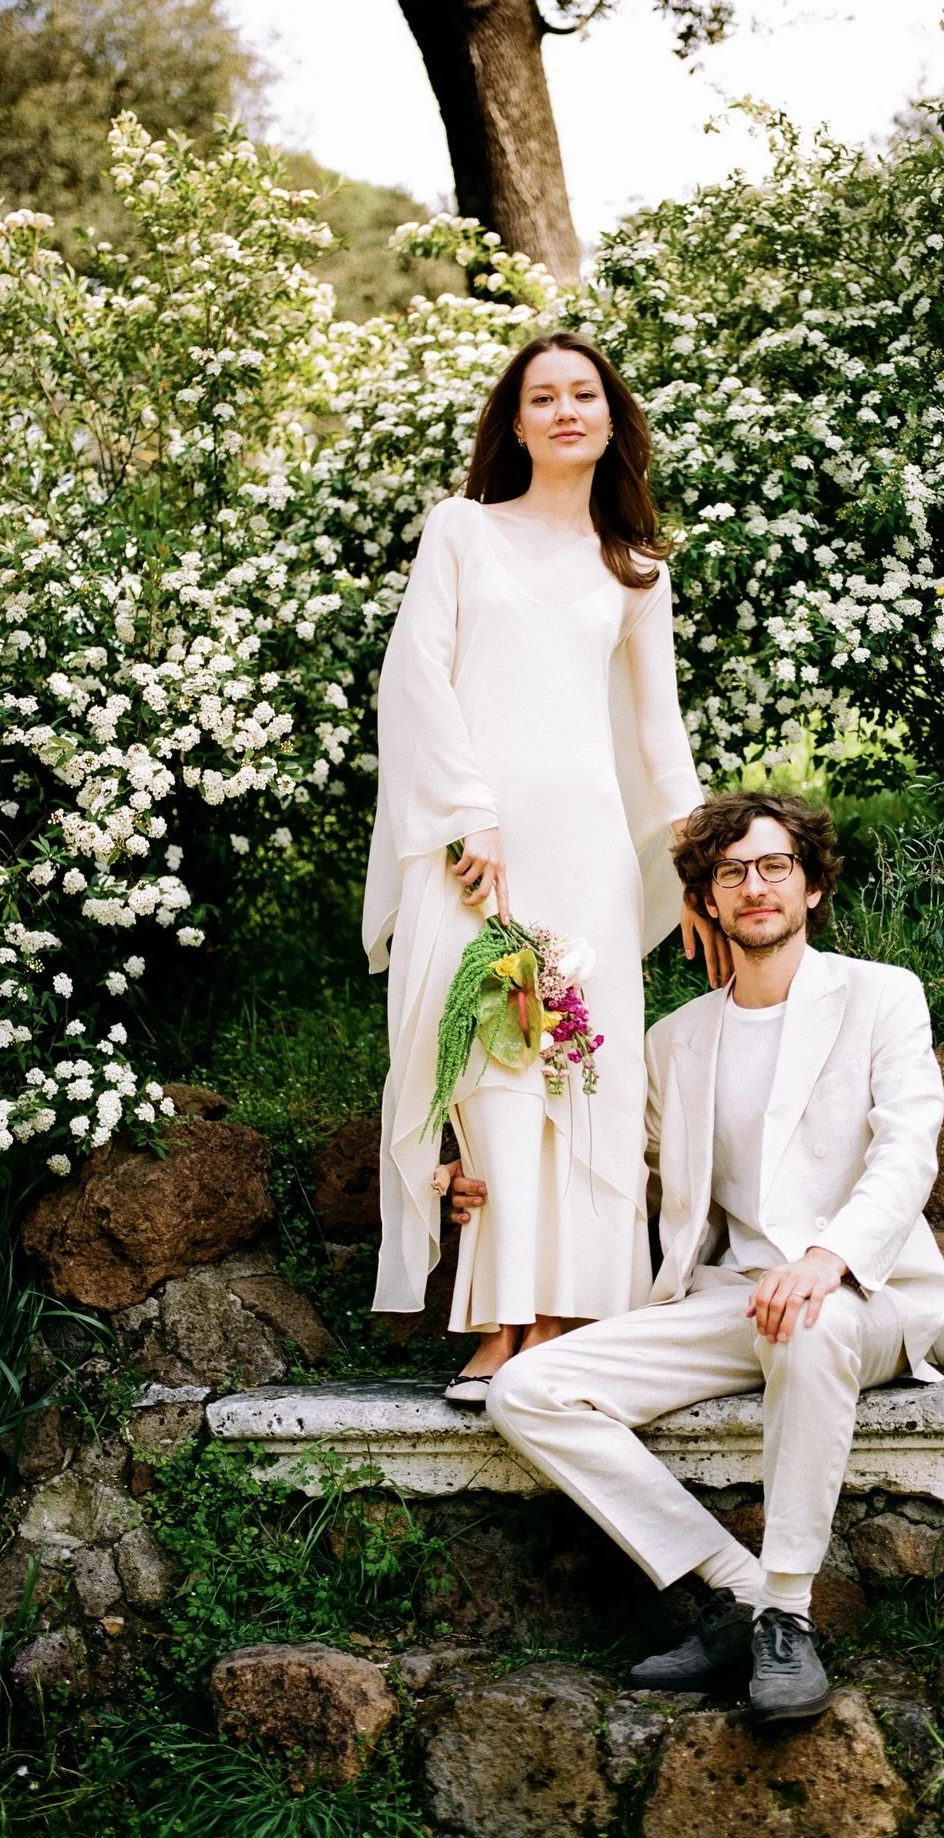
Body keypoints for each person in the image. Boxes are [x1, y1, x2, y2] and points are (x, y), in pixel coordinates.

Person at [470, 792, 944, 1719]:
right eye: (731, 872)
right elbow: (608, 1168)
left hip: (865, 1293)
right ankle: (738, 1590)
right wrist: (483, 1183)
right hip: (729, 1298)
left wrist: (827, 1258)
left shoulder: (880, 995)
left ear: (812, 887)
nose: (755, 885)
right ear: (707, 900)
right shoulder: (675, 1040)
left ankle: (787, 1618)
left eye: (775, 866)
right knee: (525, 1391)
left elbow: (909, 1148)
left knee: (810, 1331)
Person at [361, 332, 727, 1405]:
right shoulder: (462, 531)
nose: (566, 410)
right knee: (492, 1062)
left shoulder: (636, 567)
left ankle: (570, 1323)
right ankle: (500, 1316)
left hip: (586, 851)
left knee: (587, 1073)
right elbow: (416, 679)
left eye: (585, 394)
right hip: (476, 850)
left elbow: (662, 739)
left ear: (612, 418)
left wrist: (701, 870)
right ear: (513, 423)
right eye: (542, 396)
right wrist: (469, 816)